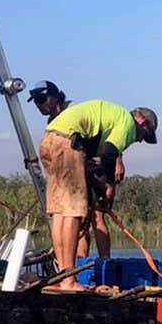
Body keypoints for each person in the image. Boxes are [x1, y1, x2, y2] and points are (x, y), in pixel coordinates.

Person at [39, 100, 157, 291]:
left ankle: (62, 277)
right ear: (142, 121)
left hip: (49, 141)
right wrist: (109, 186)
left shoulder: (109, 121)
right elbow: (110, 154)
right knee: (71, 212)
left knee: (60, 212)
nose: (139, 140)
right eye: (144, 135)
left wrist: (98, 190)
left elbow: (88, 162)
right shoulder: (127, 122)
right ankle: (69, 280)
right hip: (68, 141)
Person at [28, 81, 121, 258]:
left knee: (97, 216)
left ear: (54, 97)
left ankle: (104, 262)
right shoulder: (52, 121)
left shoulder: (74, 109)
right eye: (35, 101)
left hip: (96, 164)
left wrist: (117, 160)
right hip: (77, 167)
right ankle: (79, 264)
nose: (39, 105)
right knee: (78, 217)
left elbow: (109, 132)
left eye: (41, 99)